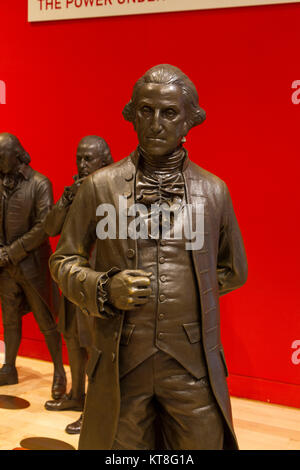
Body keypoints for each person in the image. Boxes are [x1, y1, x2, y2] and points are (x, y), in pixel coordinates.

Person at [49, 65, 248, 450]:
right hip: (121, 361)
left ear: (190, 120)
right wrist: (103, 287)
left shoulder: (214, 192)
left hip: (193, 367)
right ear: (132, 114)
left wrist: (191, 293)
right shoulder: (100, 186)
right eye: (146, 110)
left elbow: (233, 270)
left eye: (169, 112)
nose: (155, 123)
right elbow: (64, 261)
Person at [44, 135, 113, 435]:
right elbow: (51, 227)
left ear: (104, 160)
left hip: (95, 280)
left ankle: (93, 411)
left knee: (94, 347)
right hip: (70, 277)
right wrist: (67, 198)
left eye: (89, 159)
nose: (82, 164)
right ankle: (76, 396)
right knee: (71, 338)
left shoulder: (111, 190)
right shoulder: (74, 190)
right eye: (79, 158)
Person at [0, 132, 66, 400]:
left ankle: (60, 372)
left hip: (32, 266)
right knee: (10, 319)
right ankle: (9, 368)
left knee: (47, 321)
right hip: (5, 267)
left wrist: (11, 252)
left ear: (17, 156)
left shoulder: (40, 184)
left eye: (1, 156)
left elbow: (44, 227)